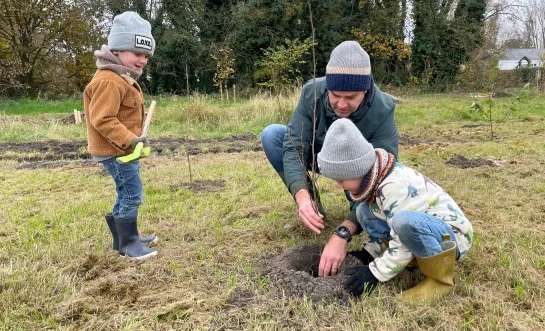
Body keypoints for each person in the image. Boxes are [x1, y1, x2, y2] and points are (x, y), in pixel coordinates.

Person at [316, 118, 474, 301]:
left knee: (403, 221)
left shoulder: (394, 186)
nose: (338, 185)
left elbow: (401, 236)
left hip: (452, 237)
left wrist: (375, 273)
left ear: (356, 170)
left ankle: (439, 280)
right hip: (423, 228)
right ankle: (391, 255)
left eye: (341, 180)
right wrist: (368, 254)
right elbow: (384, 219)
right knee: (363, 212)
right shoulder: (376, 180)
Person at [261, 40, 398, 240]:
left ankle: (357, 209)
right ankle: (313, 209)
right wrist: (302, 196)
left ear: (365, 91)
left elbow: (382, 171)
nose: (341, 105)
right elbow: (294, 146)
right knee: (272, 135)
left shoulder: (383, 108)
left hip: (358, 168)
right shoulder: (312, 92)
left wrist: (346, 229)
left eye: (351, 97)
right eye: (335, 95)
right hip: (319, 155)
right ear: (328, 88)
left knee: (368, 210)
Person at [84, 11, 158, 259]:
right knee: (131, 193)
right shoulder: (109, 80)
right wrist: (130, 140)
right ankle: (129, 244)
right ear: (116, 50)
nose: (143, 60)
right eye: (137, 53)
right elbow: (102, 118)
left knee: (123, 191)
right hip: (116, 151)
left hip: (122, 150)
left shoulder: (120, 77)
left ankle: (122, 238)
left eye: (146, 56)